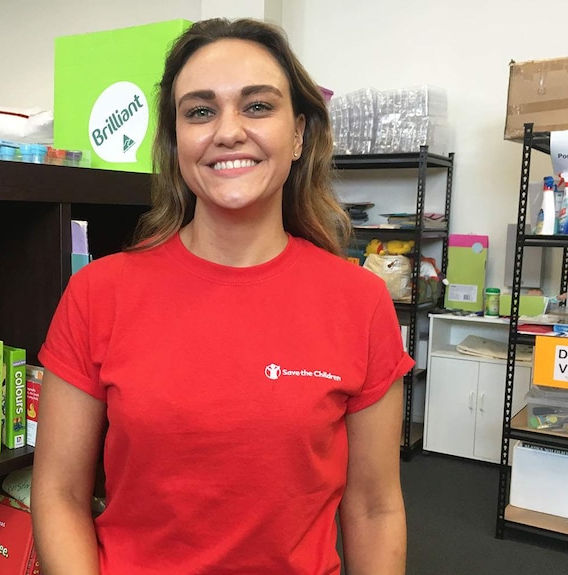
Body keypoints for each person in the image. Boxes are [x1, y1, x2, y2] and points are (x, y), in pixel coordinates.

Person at [32, 17, 413, 575]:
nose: (228, 131)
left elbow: (376, 508)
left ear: (301, 134)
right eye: (200, 111)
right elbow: (60, 494)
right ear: (176, 141)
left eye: (257, 106)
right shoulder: (99, 292)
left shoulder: (360, 300)